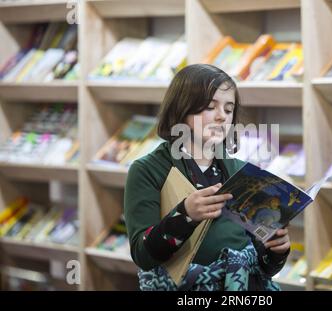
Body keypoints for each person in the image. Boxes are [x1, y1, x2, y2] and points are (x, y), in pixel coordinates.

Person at [124, 64, 290, 291]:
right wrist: (185, 215)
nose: (222, 117)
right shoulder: (148, 169)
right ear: (181, 109)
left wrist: (276, 251)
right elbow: (142, 256)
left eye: (229, 109)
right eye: (210, 107)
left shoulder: (241, 172)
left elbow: (264, 269)